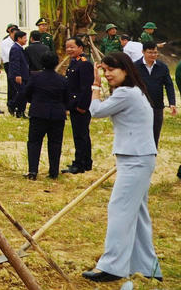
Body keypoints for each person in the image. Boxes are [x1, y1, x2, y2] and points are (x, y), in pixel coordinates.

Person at [81, 51, 162, 283]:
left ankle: (113, 266)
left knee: (119, 211)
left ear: (125, 70)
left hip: (136, 159)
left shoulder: (127, 93)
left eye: (110, 70)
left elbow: (95, 111)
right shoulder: (133, 91)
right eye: (103, 70)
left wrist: (95, 86)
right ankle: (148, 267)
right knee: (138, 213)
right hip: (137, 157)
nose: (107, 74)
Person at [20, 52, 67, 179]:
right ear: (56, 63)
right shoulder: (62, 79)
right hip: (57, 114)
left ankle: (33, 171)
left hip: (38, 113)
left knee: (34, 142)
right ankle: (53, 172)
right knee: (55, 143)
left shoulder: (35, 77)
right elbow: (67, 98)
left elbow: (26, 92)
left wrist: (34, 101)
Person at [134, 40, 175, 147]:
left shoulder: (162, 67)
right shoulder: (135, 66)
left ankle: (152, 156)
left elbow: (169, 85)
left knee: (155, 133)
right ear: (143, 52)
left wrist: (172, 103)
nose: (153, 55)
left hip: (157, 106)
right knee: (140, 133)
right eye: (150, 52)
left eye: (155, 52)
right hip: (140, 105)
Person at [64, 36, 94, 174]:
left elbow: (86, 87)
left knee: (81, 135)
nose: (69, 49)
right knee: (81, 134)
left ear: (80, 48)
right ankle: (86, 162)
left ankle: (80, 164)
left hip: (80, 106)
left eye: (72, 47)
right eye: (67, 47)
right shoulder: (73, 62)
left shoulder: (84, 64)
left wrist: (81, 106)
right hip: (74, 104)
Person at [7, 29, 31, 118]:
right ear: (19, 38)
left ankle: (20, 112)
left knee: (24, 94)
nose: (26, 40)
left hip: (24, 75)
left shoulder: (20, 48)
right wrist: (17, 75)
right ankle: (12, 105)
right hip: (18, 76)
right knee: (21, 93)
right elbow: (15, 62)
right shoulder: (15, 49)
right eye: (24, 38)